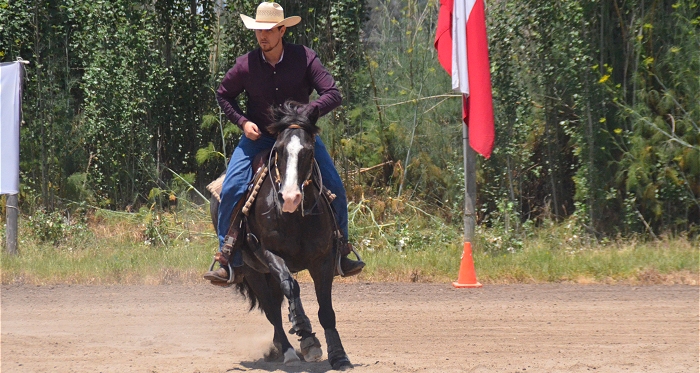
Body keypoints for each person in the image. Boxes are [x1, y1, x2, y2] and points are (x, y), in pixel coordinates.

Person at [203, 2, 365, 285]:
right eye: (258, 31)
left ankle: (341, 250)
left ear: (281, 29)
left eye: (267, 30)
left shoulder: (305, 58)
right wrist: (242, 122)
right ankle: (228, 256)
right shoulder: (246, 65)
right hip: (259, 138)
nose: (261, 36)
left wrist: (307, 113)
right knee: (230, 188)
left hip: (299, 138)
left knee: (335, 187)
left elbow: (333, 93)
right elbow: (223, 95)